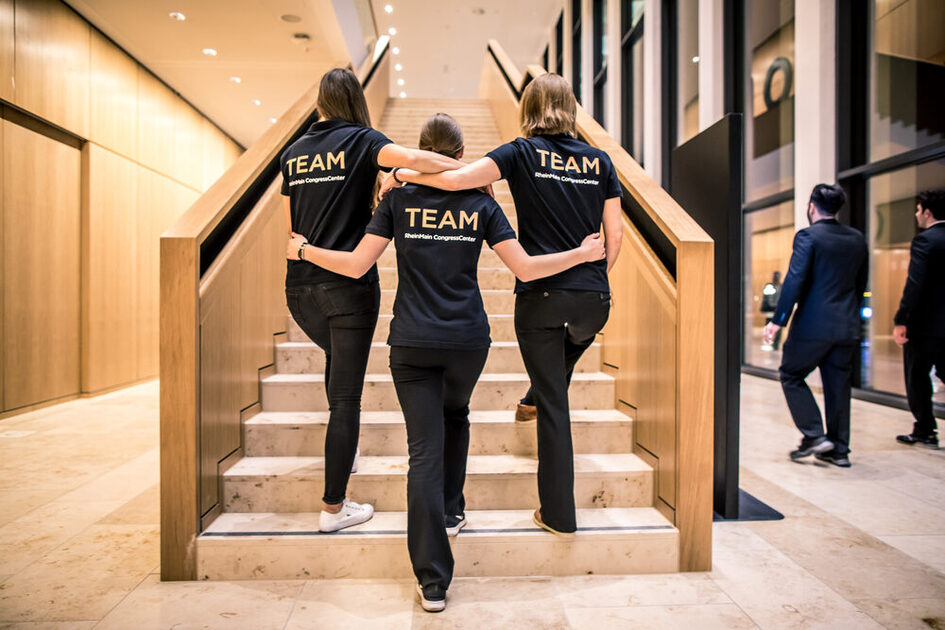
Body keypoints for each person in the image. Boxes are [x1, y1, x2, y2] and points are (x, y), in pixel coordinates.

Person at [287, 112, 605, 613]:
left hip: (412, 343)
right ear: (460, 155)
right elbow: (525, 269)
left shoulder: (397, 200)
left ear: (422, 149)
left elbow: (356, 264)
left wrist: (304, 250)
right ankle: (452, 511)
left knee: (423, 454)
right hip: (467, 341)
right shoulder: (482, 202)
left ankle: (432, 581)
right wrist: (581, 256)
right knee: (456, 415)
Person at [379, 73, 624, 537]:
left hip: (542, 298)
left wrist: (399, 175)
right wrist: (593, 280)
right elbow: (615, 235)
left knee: (554, 401)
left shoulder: (520, 152)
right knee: (563, 362)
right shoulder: (601, 160)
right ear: (571, 109)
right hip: (593, 295)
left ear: (527, 110)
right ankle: (533, 397)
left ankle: (559, 513)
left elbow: (455, 179)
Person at [280, 69, 466, 534]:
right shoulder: (364, 141)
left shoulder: (293, 152)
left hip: (300, 286)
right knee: (346, 399)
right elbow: (424, 160)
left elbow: (294, 227)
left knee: (336, 365)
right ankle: (333, 508)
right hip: (348, 289)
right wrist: (415, 171)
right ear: (356, 102)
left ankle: (346, 451)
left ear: (321, 103)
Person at [764, 184, 868, 467]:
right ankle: (839, 451)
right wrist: (851, 315)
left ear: (811, 207)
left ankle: (814, 435)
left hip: (813, 326)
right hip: (846, 326)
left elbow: (795, 279)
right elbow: (860, 284)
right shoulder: (857, 238)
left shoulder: (808, 236)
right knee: (838, 387)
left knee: (791, 374)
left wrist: (778, 320)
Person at [893, 188, 945, 448]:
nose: (916, 214)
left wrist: (901, 319)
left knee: (917, 376)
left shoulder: (925, 241)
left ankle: (925, 429)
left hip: (925, 325)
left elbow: (915, 284)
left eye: (917, 210)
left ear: (927, 212)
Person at [760, 271, 783, 350]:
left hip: (778, 311)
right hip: (770, 311)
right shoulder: (769, 286)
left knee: (778, 329)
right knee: (769, 326)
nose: (776, 277)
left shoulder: (782, 287)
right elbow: (767, 298)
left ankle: (776, 344)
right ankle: (770, 341)